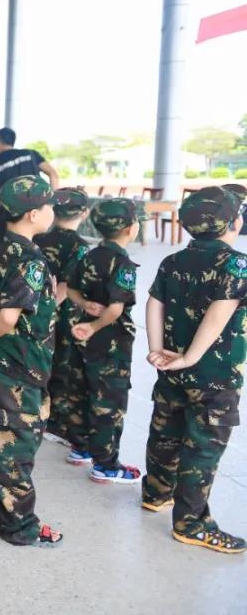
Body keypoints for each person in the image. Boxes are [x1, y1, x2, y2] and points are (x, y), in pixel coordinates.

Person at [143, 186, 246, 554]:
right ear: (234, 223)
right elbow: (221, 310)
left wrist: (156, 349)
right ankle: (192, 523)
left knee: (165, 432)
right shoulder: (236, 264)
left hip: (170, 367)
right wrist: (191, 357)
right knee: (202, 448)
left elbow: (154, 303)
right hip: (213, 375)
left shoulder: (172, 261)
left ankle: (156, 493)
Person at [0, 175, 63, 548]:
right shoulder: (30, 260)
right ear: (33, 214)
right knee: (17, 441)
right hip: (21, 364)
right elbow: (9, 317)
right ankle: (17, 523)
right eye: (49, 206)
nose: (52, 212)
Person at [67, 199, 143, 483]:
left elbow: (71, 289)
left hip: (81, 335)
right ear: (131, 229)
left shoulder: (89, 255)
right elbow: (115, 310)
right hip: (110, 341)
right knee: (109, 402)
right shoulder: (123, 264)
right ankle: (106, 465)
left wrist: (84, 305)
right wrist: (95, 326)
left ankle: (80, 448)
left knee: (80, 391)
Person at [32, 188, 90, 452]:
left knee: (43, 363)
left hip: (31, 308)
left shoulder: (39, 237)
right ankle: (55, 423)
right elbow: (66, 285)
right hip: (62, 314)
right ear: (84, 213)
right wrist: (48, 310)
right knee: (63, 367)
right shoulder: (79, 246)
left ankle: (39, 412)